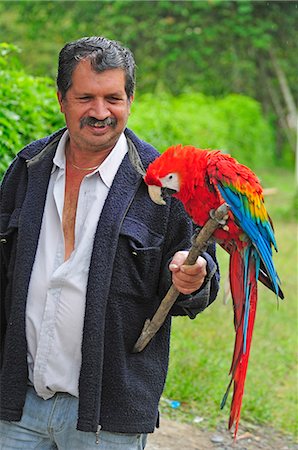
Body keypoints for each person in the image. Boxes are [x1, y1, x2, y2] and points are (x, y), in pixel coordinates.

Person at [0, 36, 219, 450]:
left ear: (130, 99)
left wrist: (195, 278)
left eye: (113, 98)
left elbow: (200, 273)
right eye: (85, 98)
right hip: (17, 407)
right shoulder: (27, 170)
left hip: (106, 419)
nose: (100, 113)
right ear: (61, 98)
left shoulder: (162, 181)